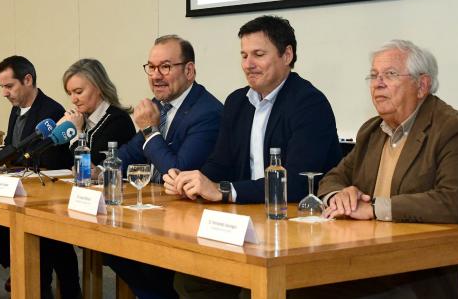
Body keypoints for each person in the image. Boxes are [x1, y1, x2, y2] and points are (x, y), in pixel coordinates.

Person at [314, 40, 458, 299]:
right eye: (373, 76)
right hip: (377, 264)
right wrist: (340, 195)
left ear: (421, 85)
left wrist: (375, 207)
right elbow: (333, 178)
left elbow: (452, 202)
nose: (378, 84)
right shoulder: (371, 131)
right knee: (299, 289)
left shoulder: (453, 130)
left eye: (389, 75)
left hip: (443, 273)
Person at [165, 15, 343, 298]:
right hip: (247, 220)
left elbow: (297, 184)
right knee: (191, 278)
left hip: (296, 227)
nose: (248, 64)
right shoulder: (237, 101)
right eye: (244, 55)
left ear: (287, 55)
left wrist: (224, 191)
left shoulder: (309, 103)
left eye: (258, 54)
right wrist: (193, 180)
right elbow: (220, 163)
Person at [107, 35, 223, 299]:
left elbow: (178, 173)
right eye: (151, 67)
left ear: (189, 71)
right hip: (159, 210)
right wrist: (103, 170)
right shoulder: (160, 104)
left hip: (191, 218)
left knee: (128, 250)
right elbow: (131, 151)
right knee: (109, 244)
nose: (156, 76)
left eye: (165, 67)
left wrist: (149, 129)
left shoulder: (207, 113)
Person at [0, 56, 81, 298]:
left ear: (28, 80)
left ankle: (35, 275)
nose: (4, 93)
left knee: (44, 238)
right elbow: (14, 147)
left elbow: (52, 161)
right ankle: (21, 264)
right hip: (19, 188)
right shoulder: (16, 110)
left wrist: (10, 162)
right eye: (2, 87)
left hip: (48, 195)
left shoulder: (51, 112)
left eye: (9, 86)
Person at [59, 58, 135, 164]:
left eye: (78, 92)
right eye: (70, 93)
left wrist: (76, 131)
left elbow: (89, 165)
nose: (73, 100)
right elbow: (56, 161)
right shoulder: (80, 118)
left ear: (99, 87)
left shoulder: (118, 120)